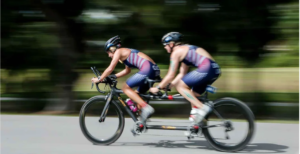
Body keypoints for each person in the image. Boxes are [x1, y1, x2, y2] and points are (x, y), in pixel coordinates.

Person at [149, 32, 221, 124]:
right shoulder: (186, 50)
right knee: (193, 94)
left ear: (171, 44)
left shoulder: (176, 53)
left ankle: (203, 108)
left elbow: (171, 75)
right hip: (215, 70)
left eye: (165, 45)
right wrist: (170, 85)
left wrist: (157, 87)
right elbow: (182, 74)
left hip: (206, 68)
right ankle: (197, 122)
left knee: (181, 87)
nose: (164, 47)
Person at [91, 35, 160, 123]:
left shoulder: (118, 51)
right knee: (136, 95)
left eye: (108, 52)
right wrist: (112, 77)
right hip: (154, 70)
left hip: (147, 69)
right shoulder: (125, 53)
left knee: (125, 87)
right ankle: (142, 122)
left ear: (113, 48)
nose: (108, 55)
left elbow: (110, 68)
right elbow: (127, 71)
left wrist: (99, 78)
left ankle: (146, 108)